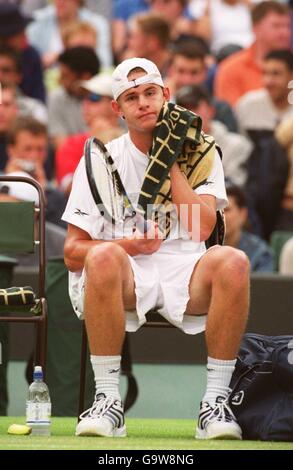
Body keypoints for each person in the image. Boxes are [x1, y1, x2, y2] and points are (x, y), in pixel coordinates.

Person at [62, 57, 250, 439]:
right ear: (117, 109)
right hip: (125, 270)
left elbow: (202, 227)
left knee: (234, 261)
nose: (143, 103)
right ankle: (108, 399)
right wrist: (129, 245)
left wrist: (169, 158)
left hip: (187, 269)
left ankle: (214, 403)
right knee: (103, 254)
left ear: (166, 95)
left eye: (150, 93)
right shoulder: (100, 156)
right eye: (132, 98)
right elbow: (72, 252)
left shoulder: (201, 152)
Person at [224, 184, 275, 272]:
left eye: (227, 210)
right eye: (217, 210)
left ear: (243, 214)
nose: (221, 216)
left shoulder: (260, 253)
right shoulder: (201, 249)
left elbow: (265, 285)